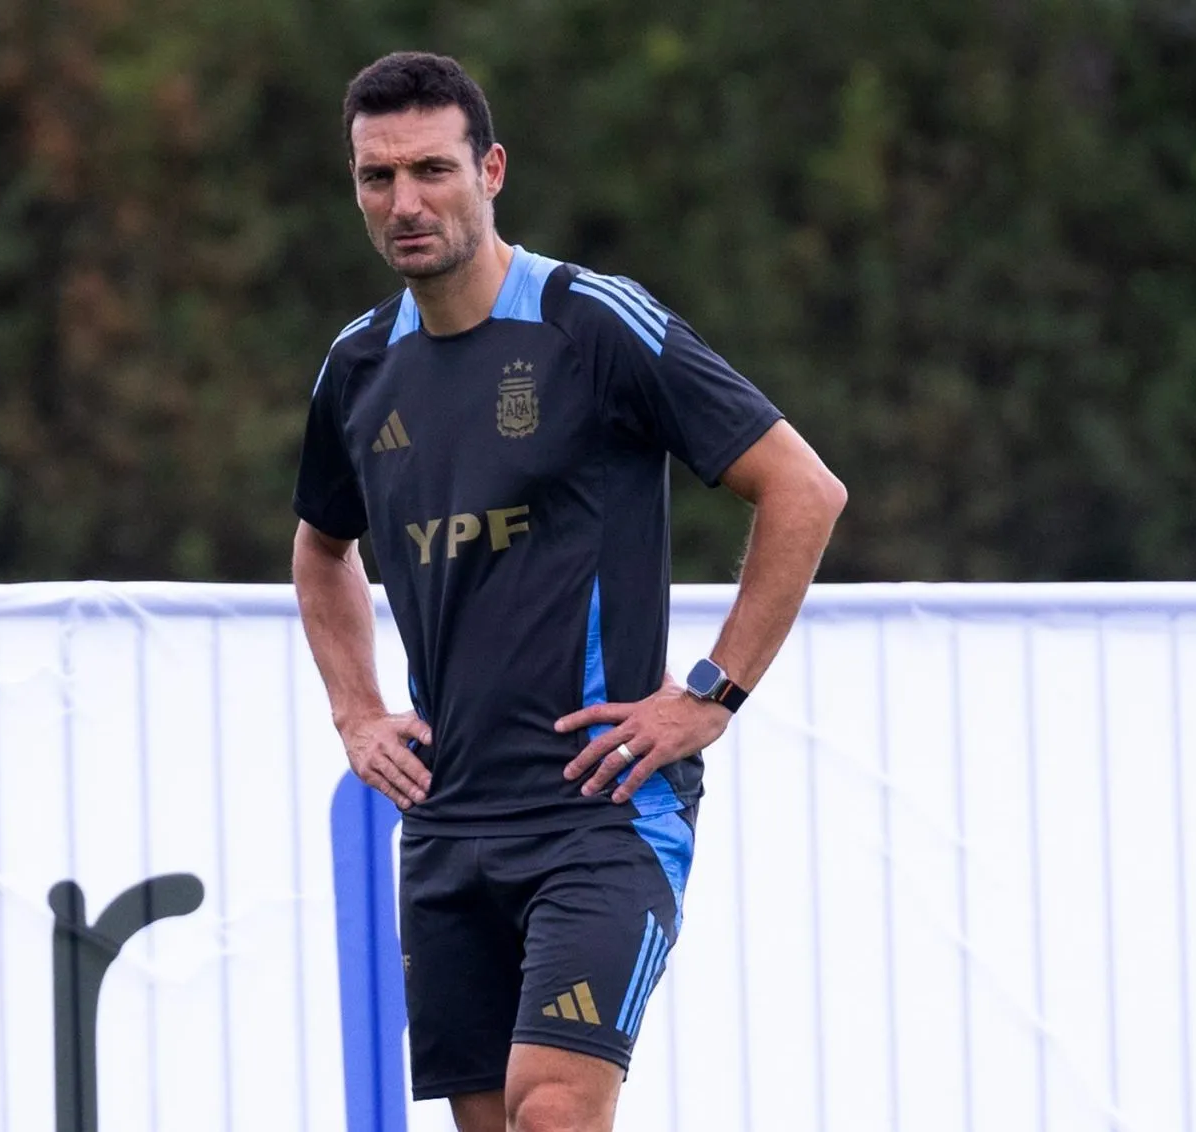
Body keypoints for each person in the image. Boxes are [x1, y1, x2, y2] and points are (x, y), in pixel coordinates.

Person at [291, 52, 848, 1132]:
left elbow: (802, 489)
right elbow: (321, 551)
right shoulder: (358, 368)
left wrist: (708, 696)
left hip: (599, 813)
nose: (405, 203)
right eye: (376, 178)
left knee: (555, 1111)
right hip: (449, 822)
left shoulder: (593, 325)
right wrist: (357, 712)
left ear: (491, 170)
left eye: (432, 171)